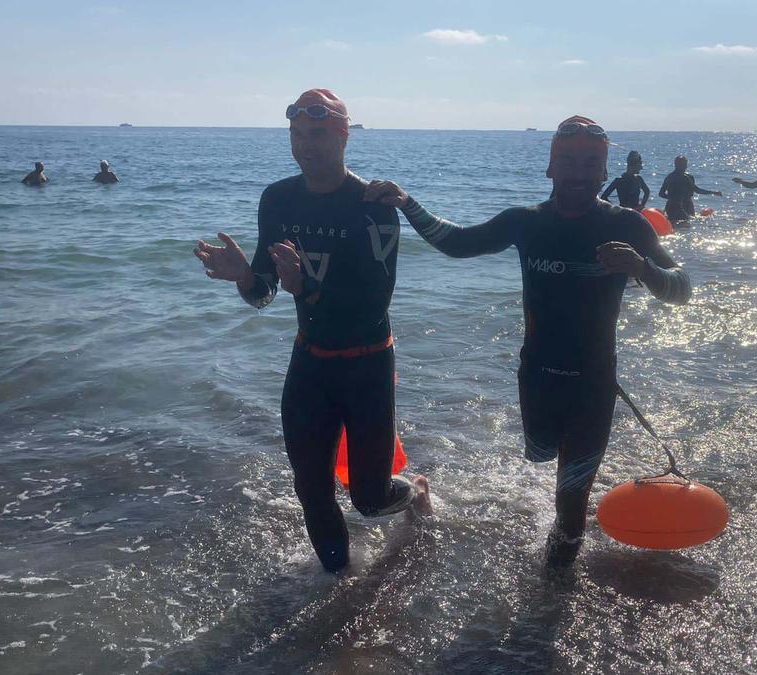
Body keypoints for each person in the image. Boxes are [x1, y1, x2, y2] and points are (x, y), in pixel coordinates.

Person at [364, 115, 692, 568]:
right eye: (568, 161)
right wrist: (406, 203)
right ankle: (556, 487)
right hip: (536, 376)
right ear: (550, 168)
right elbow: (458, 243)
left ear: (603, 173)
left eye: (590, 163)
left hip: (594, 382)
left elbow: (682, 289)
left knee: (571, 502)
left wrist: (641, 268)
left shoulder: (629, 227)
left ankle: (550, 600)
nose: (578, 173)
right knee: (541, 456)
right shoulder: (526, 222)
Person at [193, 88, 430, 574]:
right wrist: (244, 276)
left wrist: (307, 289)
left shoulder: (373, 206)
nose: (305, 145)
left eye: (317, 134)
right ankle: (337, 586)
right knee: (311, 489)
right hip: (310, 363)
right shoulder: (278, 199)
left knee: (368, 498)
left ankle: (416, 494)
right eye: (297, 134)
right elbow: (262, 293)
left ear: (343, 137)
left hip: (367, 362)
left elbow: (372, 303)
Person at [658, 155, 721, 224]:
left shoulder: (668, 177)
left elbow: (661, 194)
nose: (686, 166)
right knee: (687, 225)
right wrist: (713, 192)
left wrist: (672, 198)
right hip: (680, 207)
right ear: (682, 165)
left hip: (669, 207)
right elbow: (697, 190)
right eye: (684, 164)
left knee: (674, 225)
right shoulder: (686, 178)